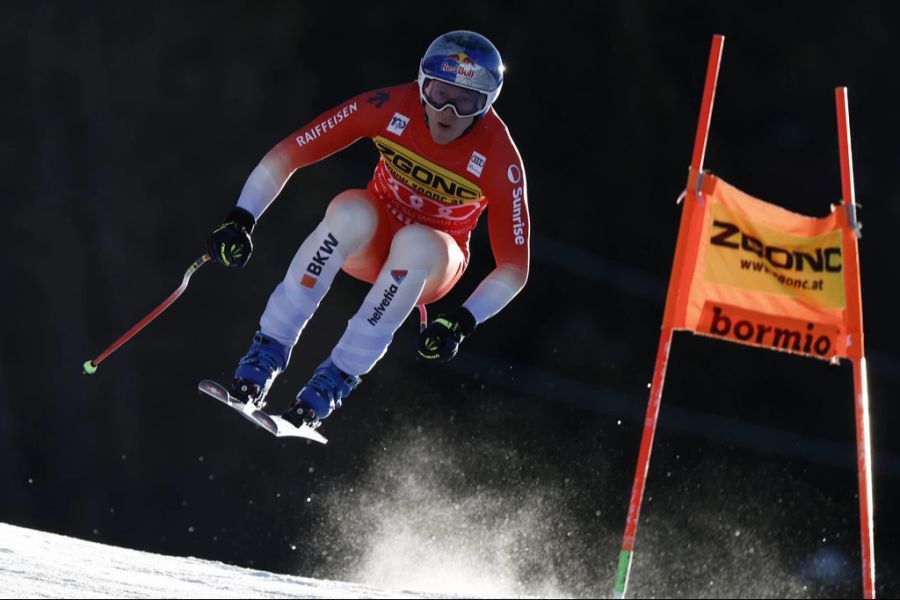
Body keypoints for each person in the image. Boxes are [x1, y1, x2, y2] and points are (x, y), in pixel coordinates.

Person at [206, 30, 530, 429]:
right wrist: (241, 218)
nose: (448, 111)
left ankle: (330, 383)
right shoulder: (390, 105)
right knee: (350, 210)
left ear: (486, 106)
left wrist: (461, 321)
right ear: (422, 84)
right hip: (371, 242)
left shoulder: (499, 155)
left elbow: (514, 268)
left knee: (416, 243)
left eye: (467, 101)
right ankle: (265, 354)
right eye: (440, 92)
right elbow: (288, 154)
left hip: (432, 262)